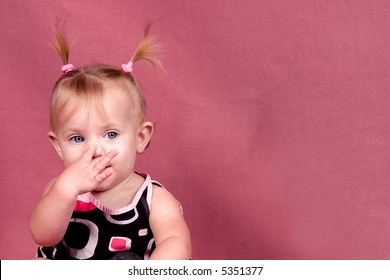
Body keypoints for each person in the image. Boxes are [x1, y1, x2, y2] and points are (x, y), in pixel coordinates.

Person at [28, 23, 191, 260]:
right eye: (77, 138)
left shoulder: (154, 199)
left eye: (111, 135)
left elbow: (177, 245)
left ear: (140, 138)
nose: (95, 150)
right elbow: (43, 235)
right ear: (58, 146)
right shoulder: (61, 191)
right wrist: (66, 188)